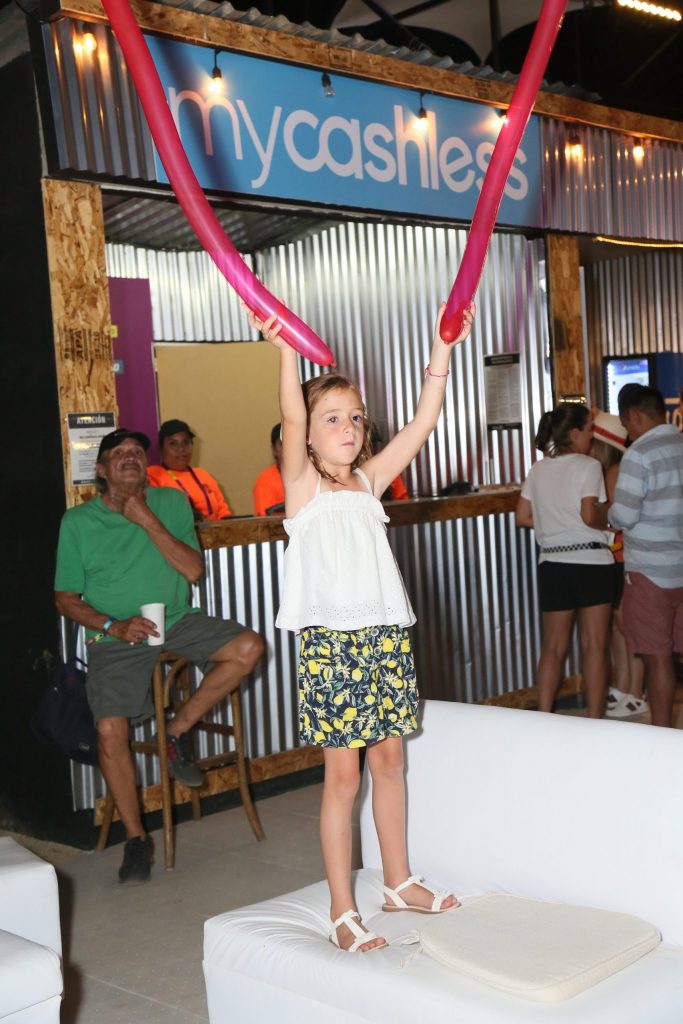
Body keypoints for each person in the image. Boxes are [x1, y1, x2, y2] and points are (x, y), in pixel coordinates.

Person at [247, 300, 474, 953]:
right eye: (331, 418)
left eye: (354, 416)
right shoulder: (302, 488)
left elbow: (422, 424)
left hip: (383, 639)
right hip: (331, 646)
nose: (346, 426)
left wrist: (442, 349)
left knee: (391, 760)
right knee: (342, 779)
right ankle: (342, 909)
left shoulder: (369, 483)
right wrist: (285, 351)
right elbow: (292, 413)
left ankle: (397, 881)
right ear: (306, 437)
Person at [55, 428, 264, 883]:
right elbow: (65, 599)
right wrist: (112, 625)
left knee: (249, 647)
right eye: (119, 453)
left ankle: (176, 729)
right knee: (110, 731)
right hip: (117, 636)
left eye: (137, 452)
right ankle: (136, 840)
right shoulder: (78, 522)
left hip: (177, 620)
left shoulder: (170, 502)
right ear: (102, 470)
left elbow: (192, 570)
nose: (130, 457)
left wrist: (145, 517)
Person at [516, 404, 614, 718]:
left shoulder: (538, 469)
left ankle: (545, 715)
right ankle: (594, 719)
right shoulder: (590, 466)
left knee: (553, 647)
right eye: (589, 430)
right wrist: (608, 518)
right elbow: (589, 515)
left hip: (553, 564)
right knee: (594, 645)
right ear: (574, 433)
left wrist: (553, 524)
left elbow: (522, 517)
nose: (592, 436)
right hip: (591, 561)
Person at [609, 383, 683, 728]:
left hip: (650, 573)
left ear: (634, 415)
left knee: (658, 658)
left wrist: (606, 512)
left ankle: (663, 735)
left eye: (625, 423)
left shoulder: (639, 454)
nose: (627, 431)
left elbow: (623, 516)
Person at [591, 411, 647, 718]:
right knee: (617, 624)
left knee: (626, 624)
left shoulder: (615, 469)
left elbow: (614, 516)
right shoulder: (610, 469)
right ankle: (625, 686)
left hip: (622, 556)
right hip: (615, 556)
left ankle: (635, 690)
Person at [147, 419, 232, 521]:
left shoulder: (203, 475)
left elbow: (224, 513)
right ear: (161, 448)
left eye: (186, 442)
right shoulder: (152, 475)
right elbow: (159, 512)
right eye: (173, 443)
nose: (181, 448)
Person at [252, 423, 285, 516]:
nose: (290, 448)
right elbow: (266, 521)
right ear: (274, 449)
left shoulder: (315, 475)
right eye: (283, 444)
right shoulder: (265, 481)